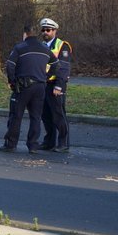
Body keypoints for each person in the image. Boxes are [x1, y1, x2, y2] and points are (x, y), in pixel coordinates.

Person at [0, 24, 58, 154]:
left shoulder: (20, 48)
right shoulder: (44, 48)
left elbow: (10, 65)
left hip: (23, 86)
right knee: (36, 116)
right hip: (40, 86)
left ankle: (11, 144)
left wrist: (12, 81)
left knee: (16, 115)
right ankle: (33, 145)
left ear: (25, 33)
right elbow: (55, 64)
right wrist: (46, 77)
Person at [39, 17, 72, 153]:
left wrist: (59, 85)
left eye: (48, 30)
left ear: (55, 31)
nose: (45, 32)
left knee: (58, 114)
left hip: (56, 85)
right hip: (43, 84)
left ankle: (63, 143)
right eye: (43, 30)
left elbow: (64, 68)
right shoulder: (41, 45)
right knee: (45, 115)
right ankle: (49, 142)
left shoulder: (62, 45)